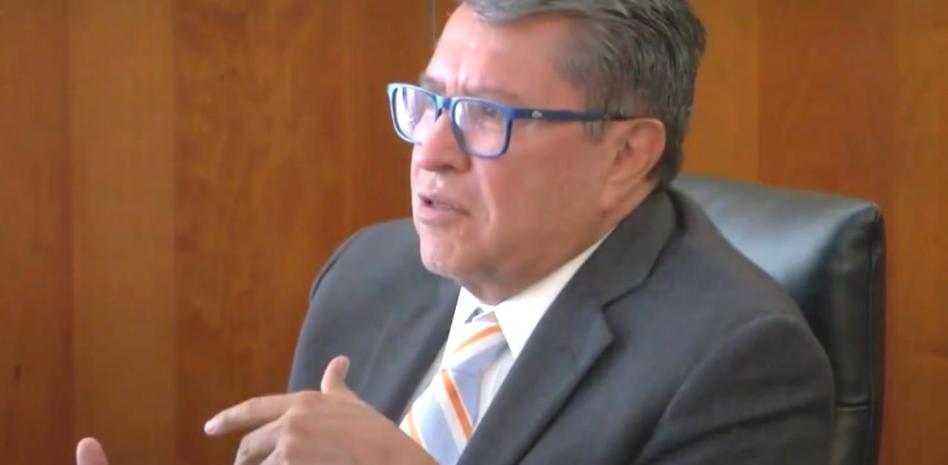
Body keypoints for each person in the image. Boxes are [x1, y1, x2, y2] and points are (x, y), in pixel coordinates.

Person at [77, 1, 834, 464]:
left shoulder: (739, 362)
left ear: (626, 155)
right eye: (429, 102)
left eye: (485, 115)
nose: (431, 150)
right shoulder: (369, 274)